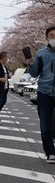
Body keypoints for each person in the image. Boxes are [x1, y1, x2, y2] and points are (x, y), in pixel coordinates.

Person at [27, 26, 55, 164]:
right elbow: (33, 74)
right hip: (44, 92)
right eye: (52, 35)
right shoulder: (42, 53)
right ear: (47, 38)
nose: (54, 37)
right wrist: (31, 64)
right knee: (45, 124)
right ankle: (50, 153)